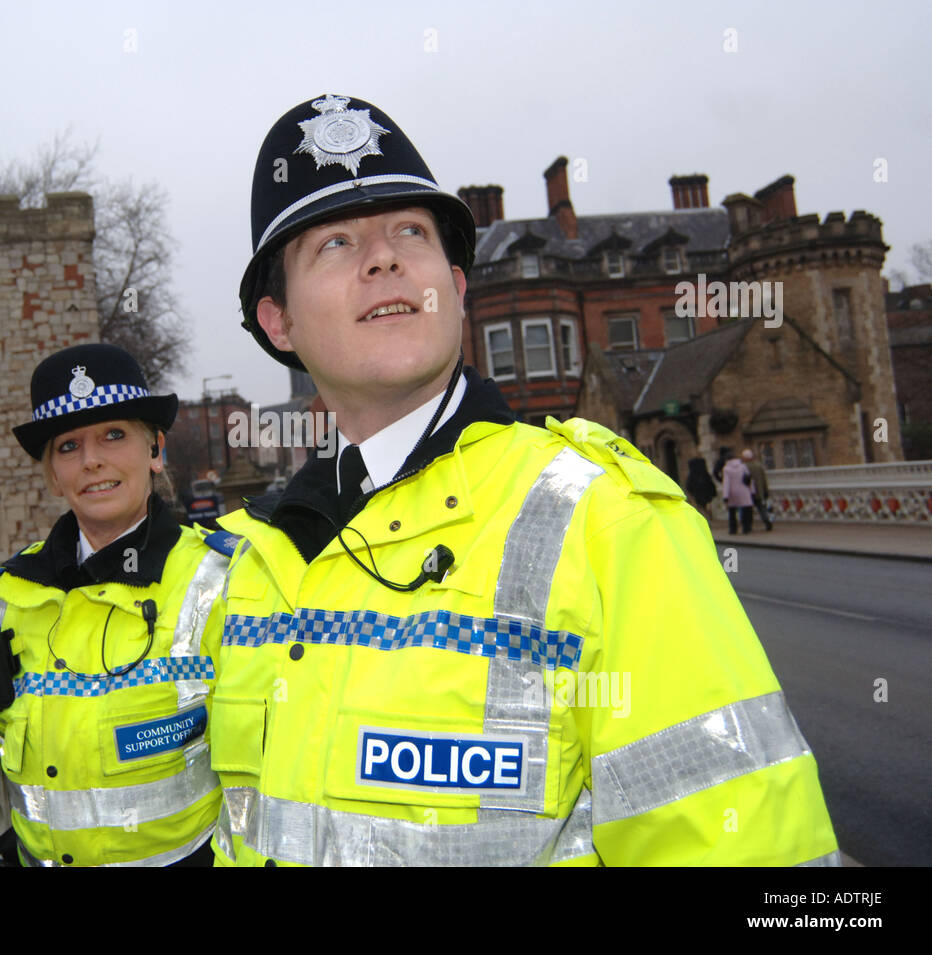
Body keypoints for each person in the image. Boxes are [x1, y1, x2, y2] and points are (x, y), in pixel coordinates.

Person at [206, 93, 838, 866]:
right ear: (279, 324)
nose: (385, 257)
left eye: (412, 231)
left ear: (457, 286)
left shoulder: (611, 522)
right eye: (335, 244)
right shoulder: (250, 564)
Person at [0, 344, 229, 866]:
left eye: (114, 435)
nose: (92, 460)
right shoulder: (8, 594)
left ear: (156, 450)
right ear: (53, 475)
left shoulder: (216, 581)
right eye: (68, 446)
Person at [722, 452, 755, 534]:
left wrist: (725, 496)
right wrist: (752, 491)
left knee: (732, 512)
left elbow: (726, 483)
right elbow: (749, 479)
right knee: (746, 510)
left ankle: (733, 529)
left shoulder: (726, 468)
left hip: (732, 492)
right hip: (744, 490)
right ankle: (746, 528)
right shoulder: (743, 466)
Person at [742, 448, 774, 531]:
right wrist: (765, 490)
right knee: (761, 508)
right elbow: (764, 479)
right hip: (759, 491)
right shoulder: (759, 466)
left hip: (748, 491)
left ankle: (748, 526)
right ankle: (767, 522)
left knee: (748, 510)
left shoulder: (744, 467)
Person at [684, 456, 717, 520]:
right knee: (705, 506)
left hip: (697, 494)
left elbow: (689, 486)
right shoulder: (705, 474)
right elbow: (710, 484)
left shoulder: (692, 476)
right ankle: (708, 515)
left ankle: (705, 518)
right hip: (707, 493)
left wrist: (691, 493)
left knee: (701, 508)